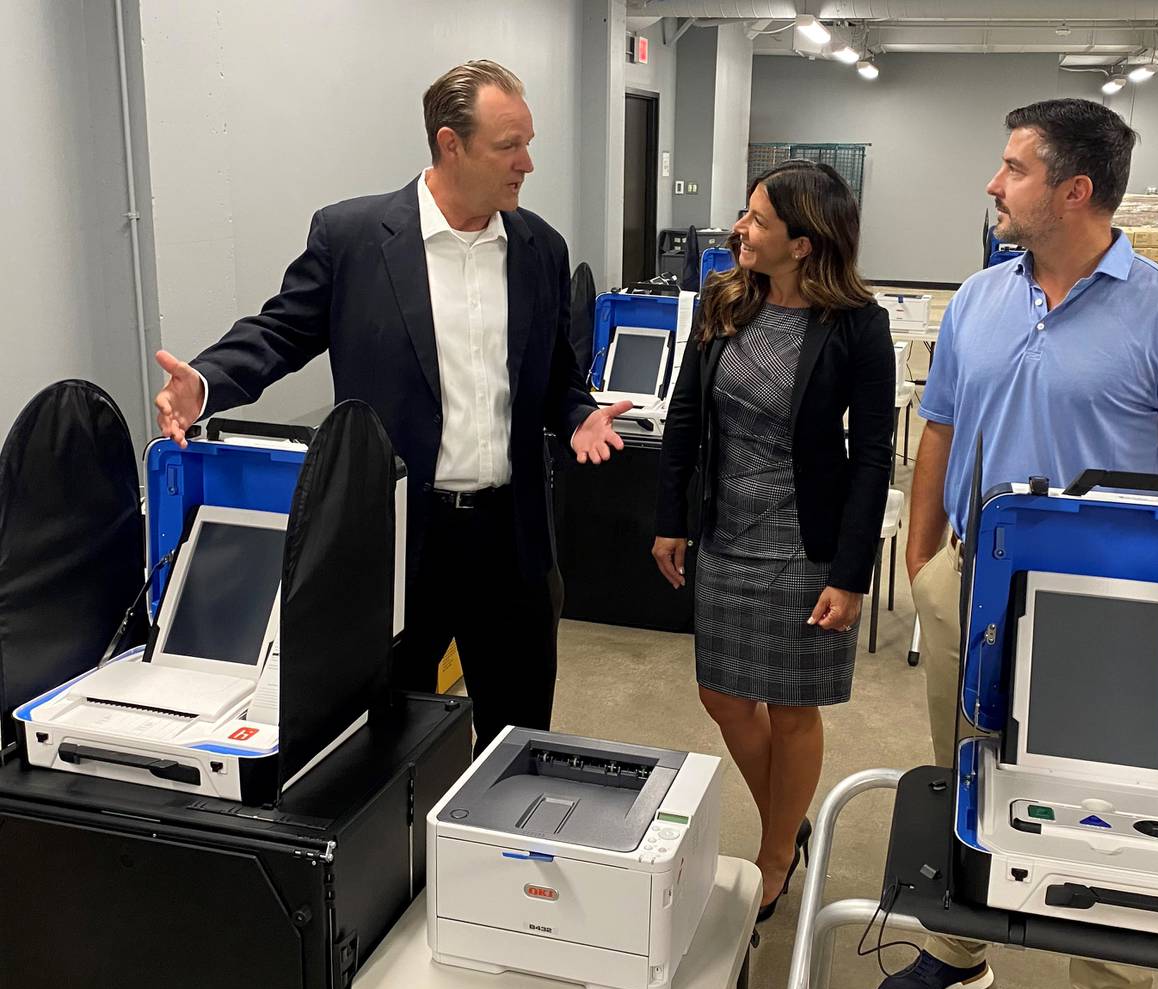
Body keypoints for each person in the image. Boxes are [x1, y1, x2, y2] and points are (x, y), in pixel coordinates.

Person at [868, 100, 1158, 989]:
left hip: (1104, 611)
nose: (994, 184)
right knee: (961, 766)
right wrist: (926, 558)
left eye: (1013, 167)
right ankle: (958, 946)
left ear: (1074, 189)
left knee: (1107, 807)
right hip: (969, 585)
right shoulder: (982, 298)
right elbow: (938, 429)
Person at [150, 60, 630, 751]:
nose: (526, 162)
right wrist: (205, 380)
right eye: (508, 146)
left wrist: (579, 411)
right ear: (449, 143)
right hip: (401, 536)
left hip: (511, 541)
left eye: (528, 142)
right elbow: (281, 329)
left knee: (519, 740)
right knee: (383, 745)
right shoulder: (353, 238)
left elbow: (553, 372)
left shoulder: (538, 247)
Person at [653, 161, 894, 921]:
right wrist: (671, 516)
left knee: (791, 708)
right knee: (722, 694)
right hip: (728, 530)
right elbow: (686, 418)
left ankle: (775, 851)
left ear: (803, 242)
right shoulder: (727, 299)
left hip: (807, 544)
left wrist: (851, 571)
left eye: (757, 219)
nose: (739, 228)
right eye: (745, 213)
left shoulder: (858, 325)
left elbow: (874, 455)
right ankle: (789, 816)